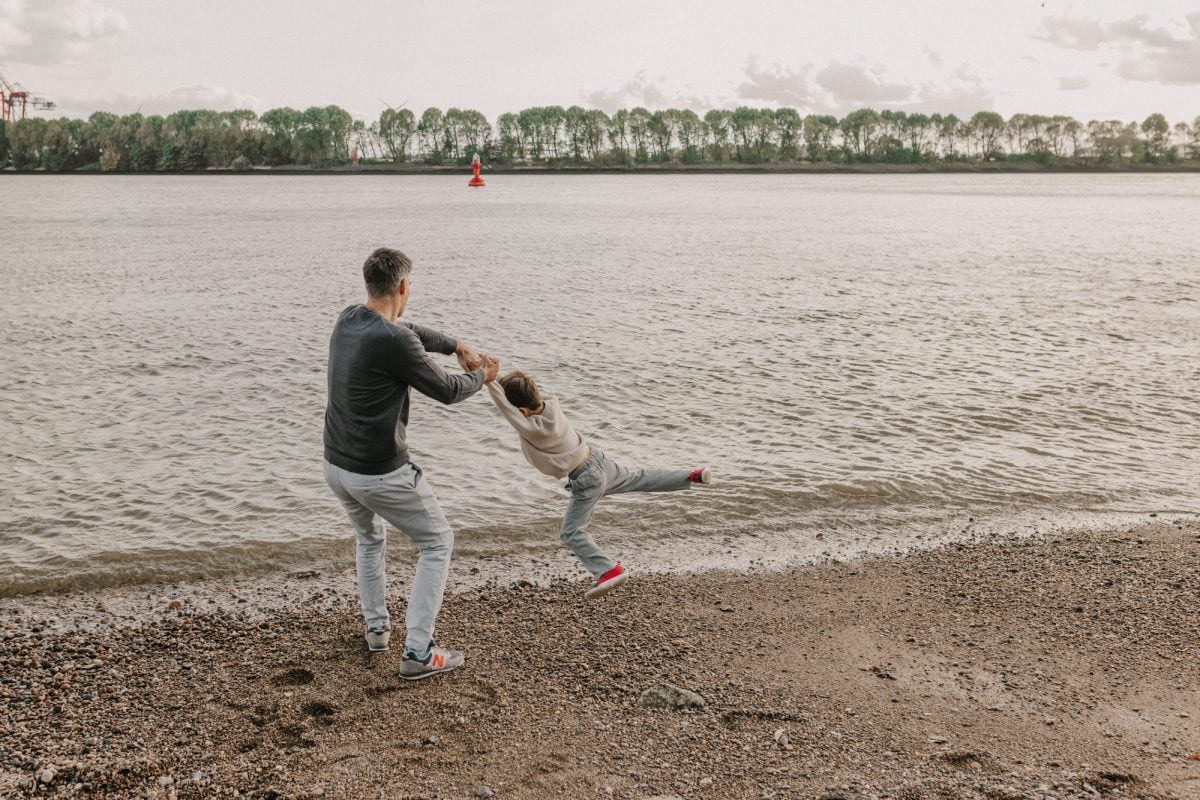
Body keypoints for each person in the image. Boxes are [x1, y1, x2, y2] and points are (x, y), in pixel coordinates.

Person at [323, 247, 498, 680]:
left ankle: (377, 630)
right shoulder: (395, 340)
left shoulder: (348, 317)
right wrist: (484, 375)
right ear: (403, 287)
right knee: (438, 542)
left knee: (369, 540)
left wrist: (456, 344)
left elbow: (411, 330)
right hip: (378, 473)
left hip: (336, 467)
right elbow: (448, 391)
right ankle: (418, 653)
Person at [486, 369, 711, 599]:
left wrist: (487, 379)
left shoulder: (534, 428)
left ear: (522, 412)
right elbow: (515, 395)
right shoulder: (551, 405)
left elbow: (505, 408)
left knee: (571, 533)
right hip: (598, 460)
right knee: (639, 478)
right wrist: (488, 372)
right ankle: (692, 475)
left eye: (517, 413)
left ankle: (608, 570)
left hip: (586, 477)